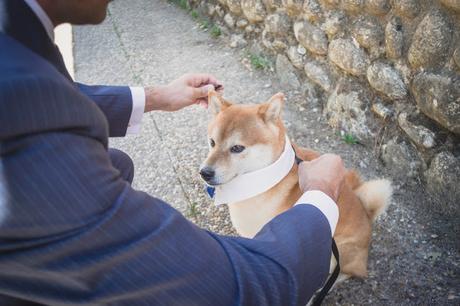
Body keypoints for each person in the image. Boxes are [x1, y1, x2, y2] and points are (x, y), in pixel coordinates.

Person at [0, 0, 345, 305]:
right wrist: (320, 195)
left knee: (118, 162)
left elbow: (50, 93)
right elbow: (240, 290)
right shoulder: (25, 134)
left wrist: (156, 97)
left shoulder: (14, 37)